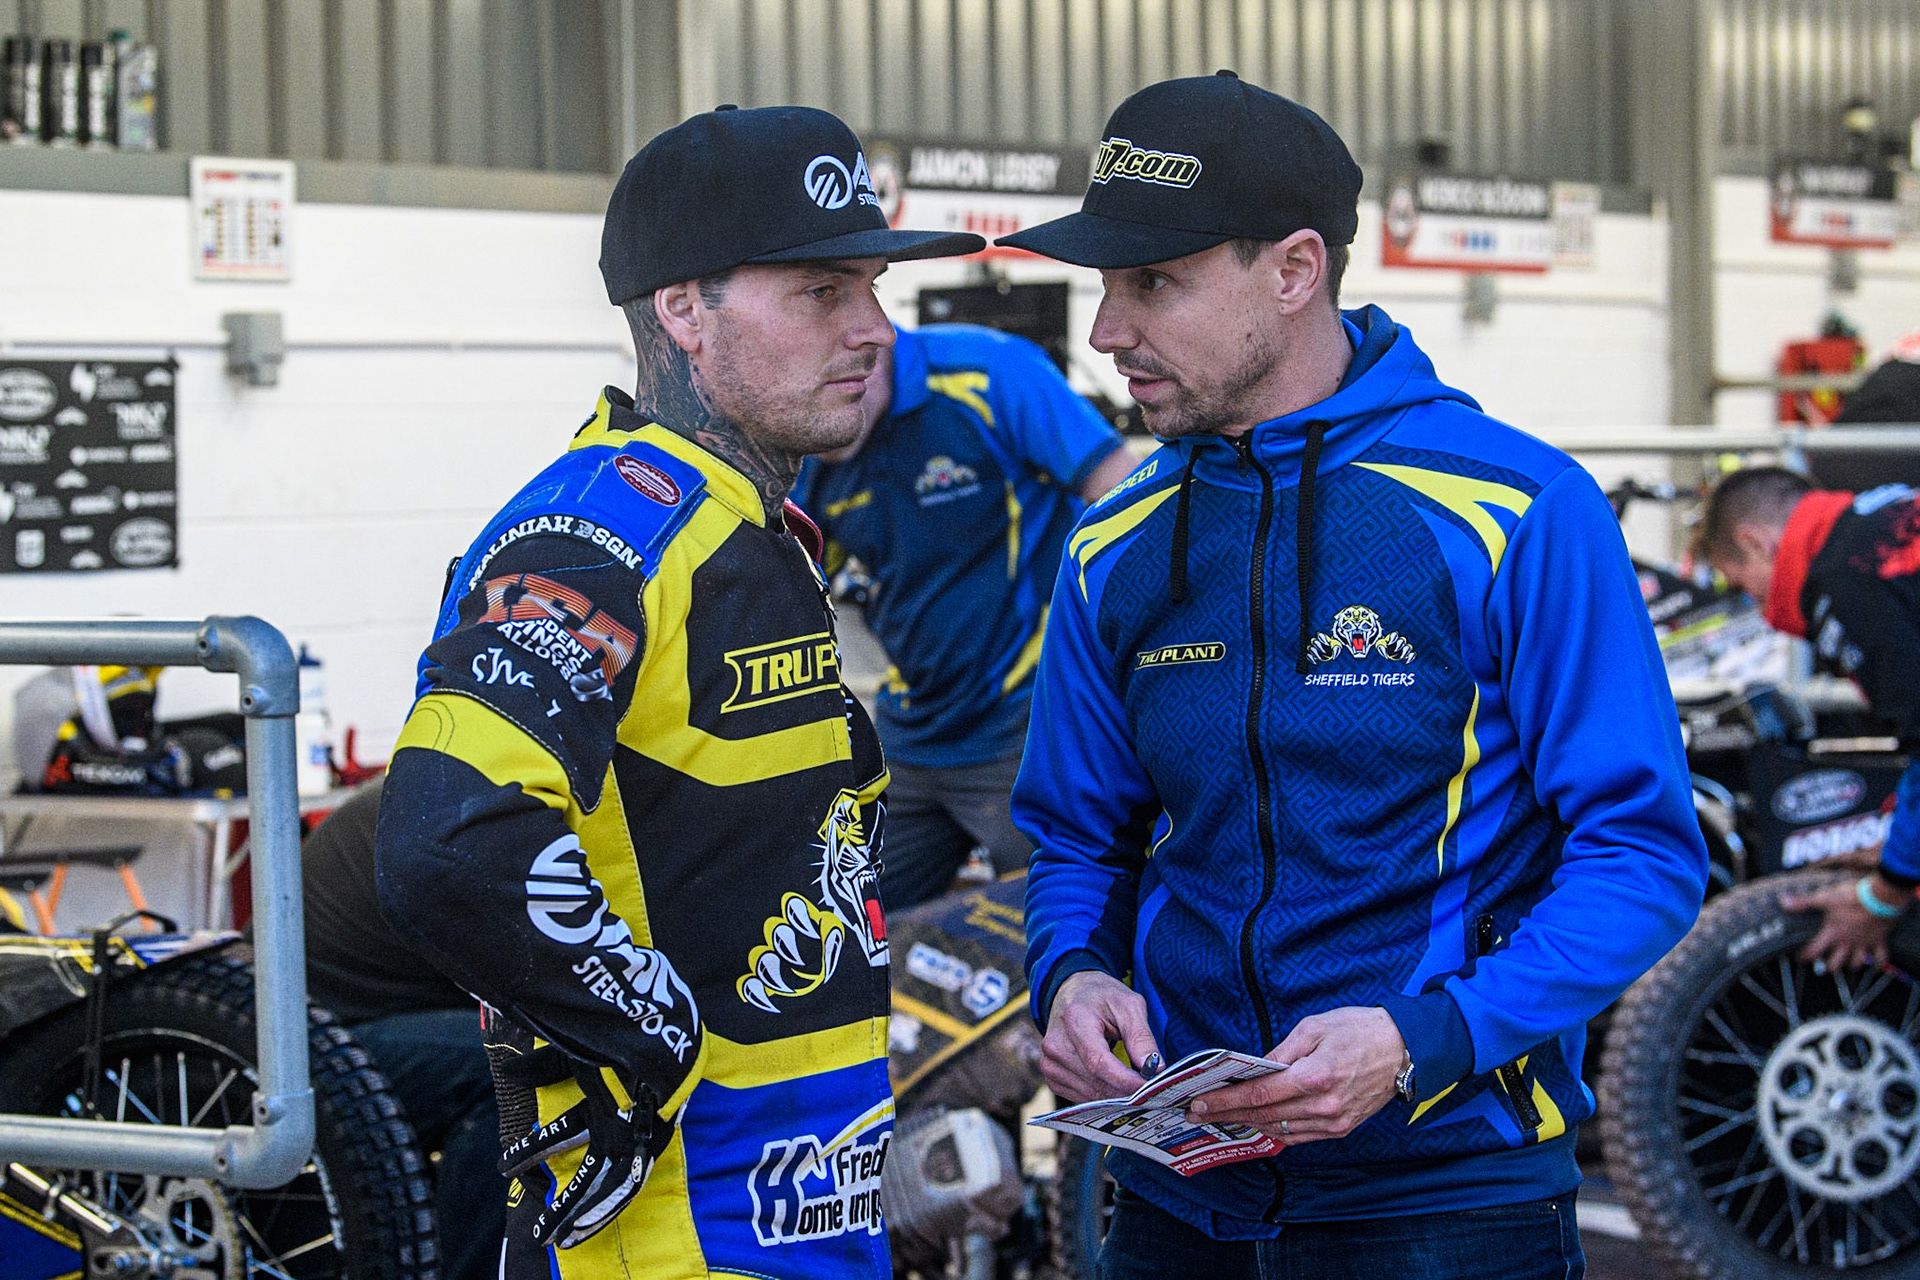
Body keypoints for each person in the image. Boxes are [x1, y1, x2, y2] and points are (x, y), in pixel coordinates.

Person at [998, 73, 1707, 1278]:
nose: (1109, 331)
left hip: (1449, 1200)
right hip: (1174, 1195)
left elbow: (1642, 855)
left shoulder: (1521, 512)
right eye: (1105, 287)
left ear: (1294, 270)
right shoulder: (1110, 546)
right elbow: (1076, 838)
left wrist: (1429, 1034)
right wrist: (1073, 972)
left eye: (1152, 283)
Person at [374, 105, 982, 1279]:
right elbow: (449, 836)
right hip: (673, 1240)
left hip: (802, 1215)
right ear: (682, 310)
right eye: (822, 293)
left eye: (872, 286)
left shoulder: (747, 524)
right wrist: (644, 1032)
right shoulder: (604, 529)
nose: (874, 329)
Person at [795, 324, 1133, 908]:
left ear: (863, 350)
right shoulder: (806, 434)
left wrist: (1109, 675)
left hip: (1024, 729)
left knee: (1063, 930)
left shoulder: (991, 374)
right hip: (909, 733)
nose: (817, 439)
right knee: (847, 927)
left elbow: (1128, 502)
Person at [1699, 466, 1920, 966]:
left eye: (1746, 590)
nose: (1763, 613)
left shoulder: (1854, 574)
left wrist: (1885, 891)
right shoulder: (1873, 525)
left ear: (1754, 542)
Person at [288, 781, 502, 1280]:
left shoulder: (455, 788)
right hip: (324, 1041)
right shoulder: (468, 817)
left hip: (352, 1021)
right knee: (516, 1067)